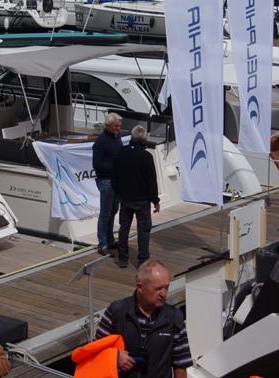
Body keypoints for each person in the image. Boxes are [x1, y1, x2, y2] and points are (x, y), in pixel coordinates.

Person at [95, 260, 192, 378]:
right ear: (140, 287)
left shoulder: (174, 318)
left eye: (166, 287)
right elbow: (96, 348)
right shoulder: (117, 311)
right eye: (158, 289)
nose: (163, 293)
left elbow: (180, 364)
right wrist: (115, 356)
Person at [111, 125, 160, 268]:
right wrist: (155, 201)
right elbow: (151, 181)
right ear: (144, 140)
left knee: (124, 228)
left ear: (132, 137)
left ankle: (122, 258)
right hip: (142, 200)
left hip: (125, 198)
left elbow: (114, 177)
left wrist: (119, 192)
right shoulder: (146, 157)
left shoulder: (121, 152)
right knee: (143, 230)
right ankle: (143, 260)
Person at [93, 113, 124, 255]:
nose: (118, 128)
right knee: (105, 213)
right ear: (108, 126)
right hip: (106, 181)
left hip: (116, 180)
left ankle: (110, 240)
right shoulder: (101, 142)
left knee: (113, 211)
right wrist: (116, 166)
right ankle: (102, 244)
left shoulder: (117, 137)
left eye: (120, 126)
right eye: (116, 126)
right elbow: (97, 164)